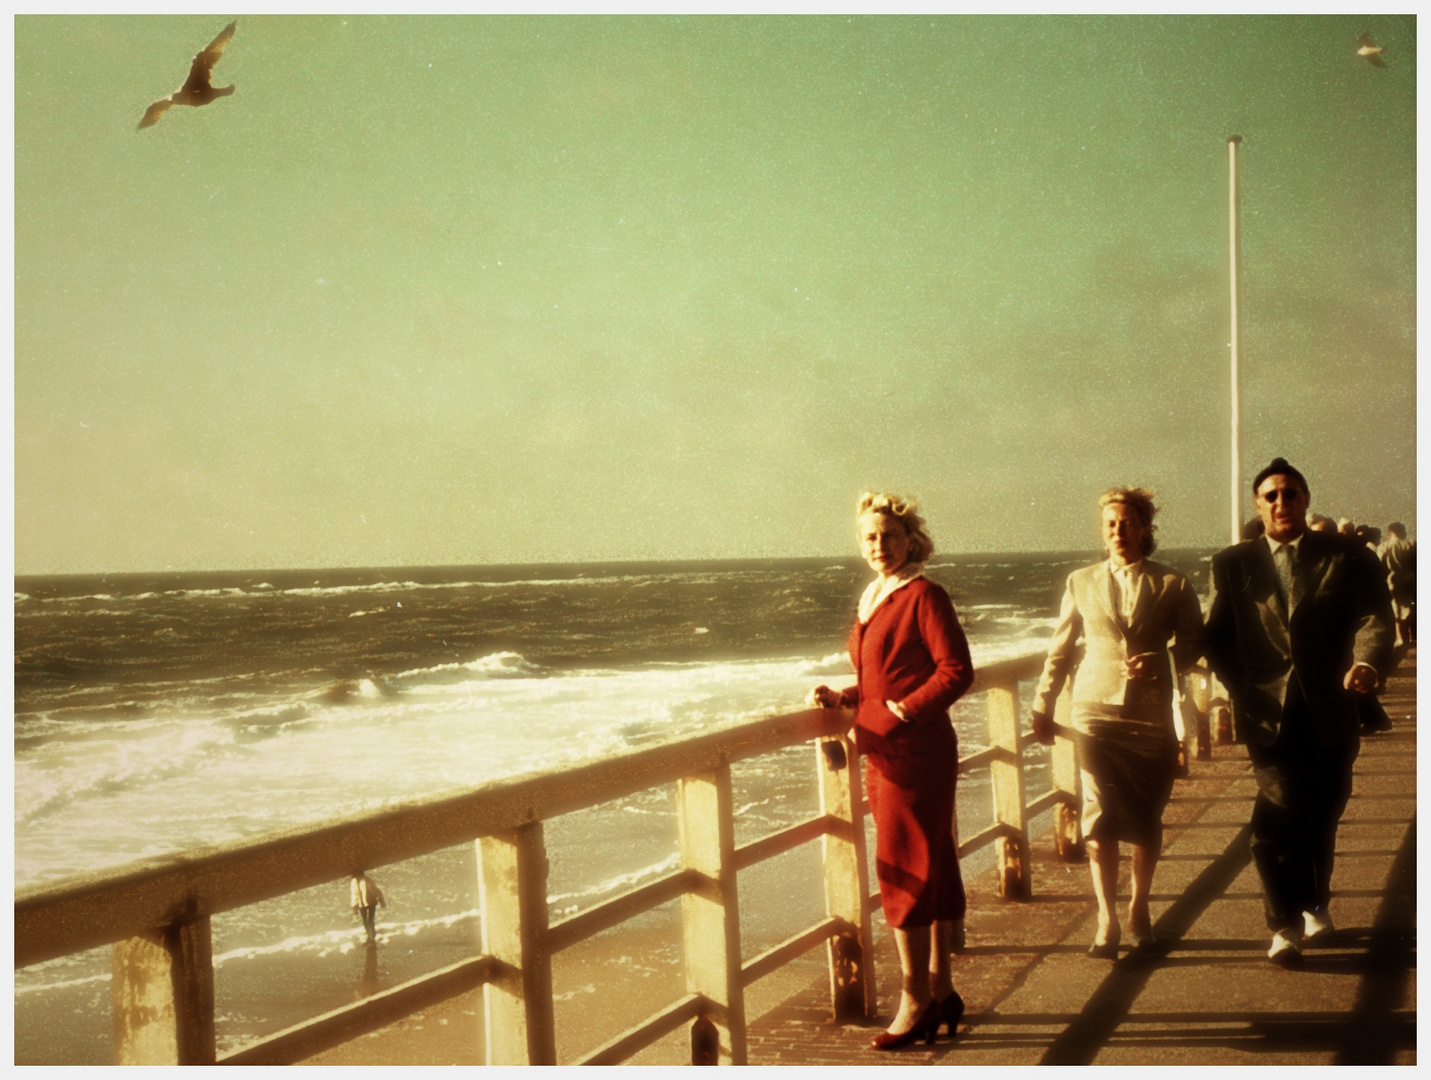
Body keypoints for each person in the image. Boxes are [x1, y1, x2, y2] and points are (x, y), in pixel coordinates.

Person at [1204, 458, 1394, 967]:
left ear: (1306, 500)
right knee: (1277, 812)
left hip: (1333, 707)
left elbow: (1375, 615)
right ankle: (1282, 925)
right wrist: (1237, 689)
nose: (1281, 503)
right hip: (1266, 712)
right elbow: (1215, 634)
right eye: (1271, 496)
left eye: (1290, 494)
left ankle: (1315, 903)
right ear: (1257, 505)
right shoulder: (1233, 563)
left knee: (1323, 811)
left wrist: (1366, 662)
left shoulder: (1348, 557)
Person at [809, 492, 974, 1050]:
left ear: (910, 540)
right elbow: (885, 674)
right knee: (928, 865)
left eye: (889, 536)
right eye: (870, 538)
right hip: (883, 751)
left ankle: (915, 996)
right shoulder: (876, 595)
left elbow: (955, 671)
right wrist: (846, 693)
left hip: (916, 753)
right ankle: (944, 991)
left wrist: (905, 710)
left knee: (903, 870)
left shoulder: (924, 594)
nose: (879, 545)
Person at [1029, 488, 1204, 958]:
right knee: (1099, 811)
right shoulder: (1080, 581)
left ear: (1145, 528)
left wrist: (1161, 657)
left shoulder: (1173, 583)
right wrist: (1043, 702)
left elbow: (1193, 646)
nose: (1117, 532)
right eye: (1109, 524)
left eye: (1126, 523)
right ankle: (1106, 915)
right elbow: (1061, 647)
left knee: (1145, 816)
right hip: (1093, 710)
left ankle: (1139, 906)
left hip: (1149, 713)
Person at [1381, 522, 1416, 648]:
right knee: (1411, 606)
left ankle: (1400, 637)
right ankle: (1412, 635)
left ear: (1389, 532)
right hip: (1409, 580)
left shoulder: (1383, 547)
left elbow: (1379, 565)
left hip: (1391, 581)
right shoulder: (1411, 545)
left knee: (1397, 608)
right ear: (1400, 531)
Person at [350, 870, 386, 941]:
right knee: (365, 920)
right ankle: (369, 933)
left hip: (371, 903)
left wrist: (381, 900)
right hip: (361, 904)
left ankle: (372, 933)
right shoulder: (354, 882)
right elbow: (354, 894)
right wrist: (355, 907)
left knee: (370, 919)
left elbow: (375, 890)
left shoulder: (366, 880)